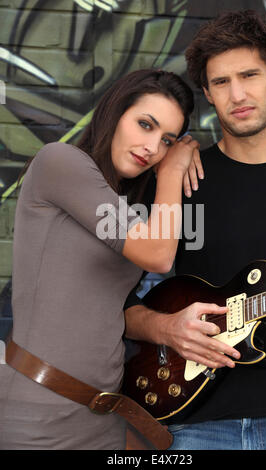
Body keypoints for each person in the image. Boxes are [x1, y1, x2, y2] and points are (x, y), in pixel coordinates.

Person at [124, 10, 266, 450]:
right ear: (206, 91)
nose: (237, 94)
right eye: (221, 82)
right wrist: (166, 330)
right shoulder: (176, 182)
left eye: (249, 75)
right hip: (191, 424)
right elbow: (112, 305)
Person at [0, 69, 198, 450]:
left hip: (104, 419)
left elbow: (109, 311)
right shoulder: (58, 161)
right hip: (36, 414)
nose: (152, 147)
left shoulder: (129, 211)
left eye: (167, 140)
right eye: (145, 124)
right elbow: (158, 255)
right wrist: (173, 169)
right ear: (114, 112)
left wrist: (169, 326)